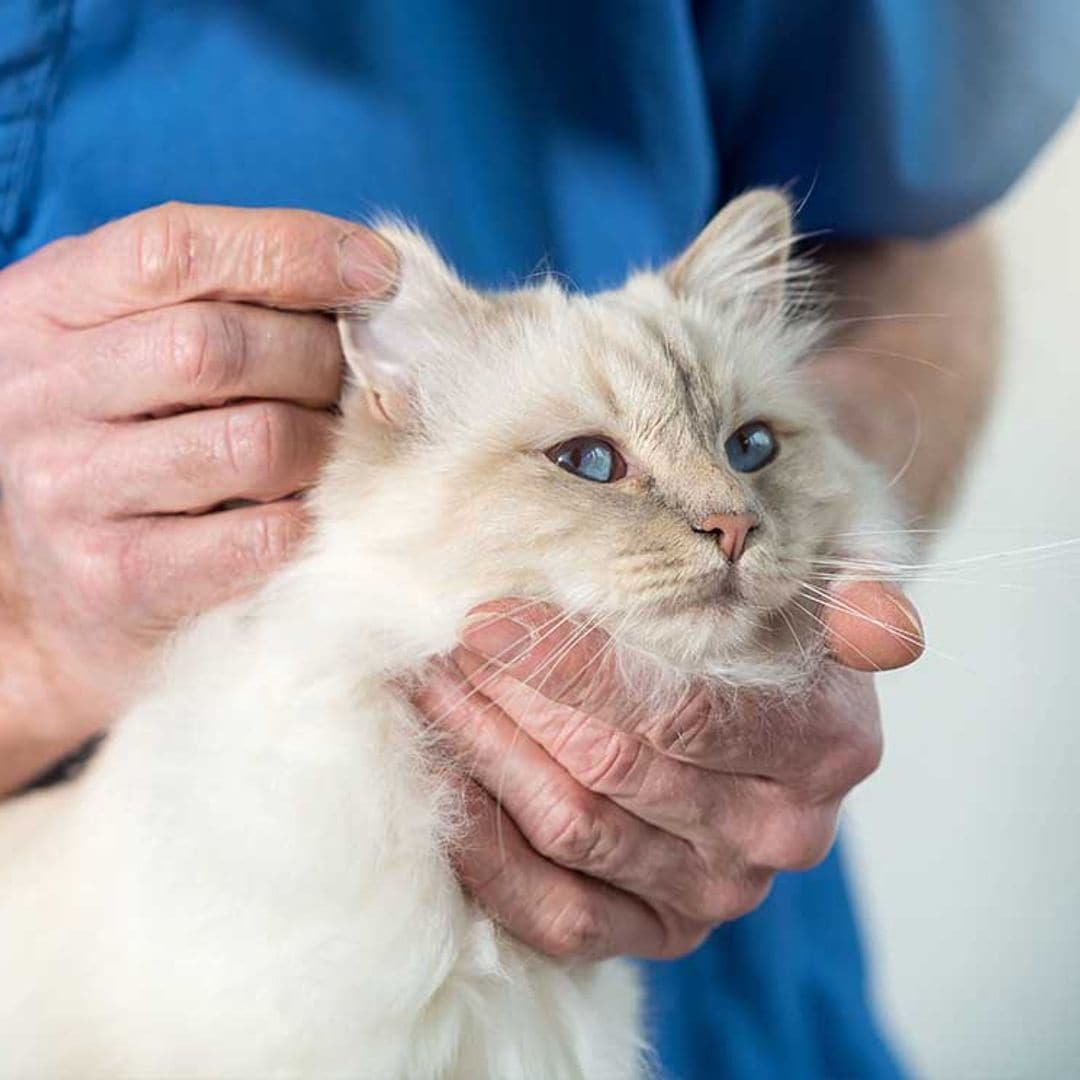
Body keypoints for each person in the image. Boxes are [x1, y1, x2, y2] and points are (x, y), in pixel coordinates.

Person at [0, 3, 1075, 1076]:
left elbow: (902, 220)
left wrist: (851, 533)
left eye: (747, 447)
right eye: (594, 463)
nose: (722, 516)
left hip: (736, 979)